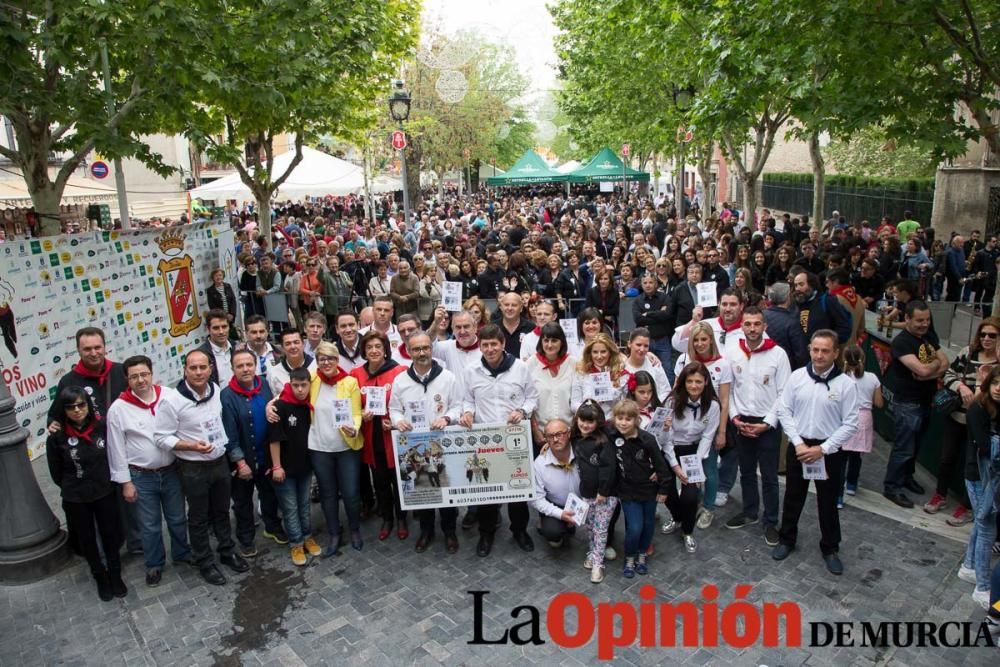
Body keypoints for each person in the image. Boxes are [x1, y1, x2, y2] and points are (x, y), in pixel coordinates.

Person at [154, 350, 249, 586]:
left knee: (222, 510)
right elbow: (160, 437)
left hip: (219, 463)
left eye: (202, 367)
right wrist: (191, 445)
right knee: (198, 517)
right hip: (192, 467)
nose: (198, 372)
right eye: (193, 368)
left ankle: (227, 551)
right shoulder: (172, 400)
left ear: (210, 369)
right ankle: (205, 561)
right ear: (185, 370)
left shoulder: (216, 391)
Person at [773, 329, 859, 575]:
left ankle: (830, 547)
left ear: (836, 353)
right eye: (815, 349)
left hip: (828, 450)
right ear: (810, 349)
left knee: (828, 501)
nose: (819, 355)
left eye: (825, 351)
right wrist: (798, 443)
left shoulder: (846, 385)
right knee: (793, 496)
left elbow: (850, 423)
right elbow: (784, 411)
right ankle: (786, 539)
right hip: (799, 447)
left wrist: (823, 449)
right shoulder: (797, 377)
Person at [106, 356, 191, 588]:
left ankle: (182, 553)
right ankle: (154, 563)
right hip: (141, 476)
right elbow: (116, 448)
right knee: (150, 524)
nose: (140, 380)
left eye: (144, 374)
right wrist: (126, 483)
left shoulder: (169, 395)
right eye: (134, 376)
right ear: (127, 379)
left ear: (152, 374)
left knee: (176, 517)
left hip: (172, 470)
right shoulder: (118, 409)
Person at [459, 324, 539, 557]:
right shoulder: (471, 371)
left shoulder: (520, 368)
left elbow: (532, 398)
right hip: (485, 440)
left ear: (503, 344)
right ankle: (486, 532)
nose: (490, 349)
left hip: (514, 438)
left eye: (494, 344)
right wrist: (467, 413)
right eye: (485, 345)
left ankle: (520, 530)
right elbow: (467, 400)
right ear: (480, 346)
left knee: (517, 490)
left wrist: (523, 411)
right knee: (487, 491)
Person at [48, 387, 126, 601]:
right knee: (87, 539)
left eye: (81, 405)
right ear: (63, 410)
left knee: (110, 534)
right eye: (70, 407)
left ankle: (115, 574)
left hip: (104, 491)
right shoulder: (58, 435)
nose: (77, 410)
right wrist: (74, 485)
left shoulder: (101, 427)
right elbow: (56, 472)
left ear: (88, 405)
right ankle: (100, 576)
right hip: (76, 497)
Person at [389, 331, 463, 554]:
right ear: (409, 352)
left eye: (425, 348)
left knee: (447, 489)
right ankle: (426, 531)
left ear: (431, 349)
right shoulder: (400, 380)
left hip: (443, 442)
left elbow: (458, 405)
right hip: (415, 445)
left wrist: (447, 417)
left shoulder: (447, 377)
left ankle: (450, 531)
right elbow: (393, 409)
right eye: (416, 349)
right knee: (423, 490)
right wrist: (399, 421)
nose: (422, 353)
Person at [722, 306, 791, 548]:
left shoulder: (778, 355)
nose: (752, 328)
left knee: (770, 476)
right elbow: (728, 389)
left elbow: (784, 394)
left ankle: (771, 520)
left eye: (757, 324)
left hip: (767, 425)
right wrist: (734, 418)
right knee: (747, 472)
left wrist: (767, 423)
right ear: (742, 326)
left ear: (765, 326)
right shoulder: (733, 352)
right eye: (748, 324)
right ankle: (750, 512)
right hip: (742, 422)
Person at [927, 318, 1000, 522]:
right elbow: (949, 374)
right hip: (956, 415)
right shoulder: (968, 353)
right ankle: (940, 495)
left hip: (981, 422)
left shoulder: (997, 363)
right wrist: (962, 386)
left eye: (992, 335)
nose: (986, 339)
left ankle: (967, 507)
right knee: (946, 458)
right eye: (983, 334)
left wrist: (978, 390)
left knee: (974, 465)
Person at [882, 301, 949, 508]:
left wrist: (932, 369)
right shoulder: (902, 342)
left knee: (916, 445)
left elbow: (944, 363)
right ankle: (892, 487)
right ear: (908, 319)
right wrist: (931, 369)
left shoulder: (929, 336)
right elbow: (922, 371)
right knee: (904, 447)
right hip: (907, 402)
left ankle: (907, 477)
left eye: (927, 320)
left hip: (926, 399)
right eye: (919, 320)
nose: (924, 324)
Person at [221, 348, 286, 556]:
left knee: (269, 494)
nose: (245, 369)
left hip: (266, 455)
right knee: (242, 501)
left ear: (255, 366)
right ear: (233, 369)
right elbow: (229, 435)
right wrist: (240, 462)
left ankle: (272, 526)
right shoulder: (227, 396)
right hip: (243, 459)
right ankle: (246, 538)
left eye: (249, 364)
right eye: (239, 366)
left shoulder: (265, 385)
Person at [672, 321, 733, 528]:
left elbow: (724, 401)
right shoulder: (683, 361)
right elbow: (676, 391)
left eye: (703, 339)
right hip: (686, 426)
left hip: (710, 424)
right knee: (689, 469)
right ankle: (692, 501)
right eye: (695, 340)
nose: (699, 344)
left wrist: (721, 432)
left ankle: (708, 507)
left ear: (711, 340)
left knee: (709, 470)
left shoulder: (722, 365)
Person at [350, 331, 408, 541]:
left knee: (398, 479)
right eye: (369, 347)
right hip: (371, 437)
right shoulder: (356, 375)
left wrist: (395, 420)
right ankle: (387, 517)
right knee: (381, 481)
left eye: (378, 346)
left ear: (385, 349)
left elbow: (407, 403)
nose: (374, 350)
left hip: (392, 436)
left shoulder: (399, 371)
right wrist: (360, 415)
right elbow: (350, 405)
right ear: (363, 351)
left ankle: (402, 517)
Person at [308, 342, 364, 555]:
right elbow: (290, 393)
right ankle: (333, 532)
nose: (327, 362)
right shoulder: (312, 380)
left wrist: (354, 428)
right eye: (322, 359)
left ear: (337, 360)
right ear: (317, 362)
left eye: (331, 358)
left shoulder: (349, 382)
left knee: (350, 493)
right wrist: (271, 404)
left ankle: (355, 529)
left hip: (346, 447)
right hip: (319, 448)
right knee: (328, 494)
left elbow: (357, 412)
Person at [661, 363, 721, 554]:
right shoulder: (671, 402)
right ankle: (677, 517)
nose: (694, 386)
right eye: (690, 381)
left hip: (694, 451)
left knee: (691, 495)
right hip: (671, 449)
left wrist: (695, 464)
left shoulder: (712, 405)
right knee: (666, 492)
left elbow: (707, 436)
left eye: (698, 381)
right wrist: (676, 466)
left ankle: (687, 531)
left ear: (706, 382)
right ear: (683, 382)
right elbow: (666, 438)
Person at [610, 399, 671, 579]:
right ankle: (629, 557)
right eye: (620, 418)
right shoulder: (612, 436)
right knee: (635, 527)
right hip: (628, 492)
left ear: (637, 420)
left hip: (649, 490)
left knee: (648, 525)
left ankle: (642, 553)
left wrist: (664, 490)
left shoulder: (648, 440)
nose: (623, 422)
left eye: (628, 419)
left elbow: (661, 466)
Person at [268, 366, 322, 566]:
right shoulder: (280, 406)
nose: (300, 390)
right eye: (296, 385)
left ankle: (307, 536)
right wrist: (276, 466)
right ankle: (296, 543)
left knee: (304, 504)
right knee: (290, 508)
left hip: (305, 466)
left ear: (310, 385)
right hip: (284, 468)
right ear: (289, 384)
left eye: (304, 385)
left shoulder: (309, 405)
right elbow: (274, 439)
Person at [958, 365, 1000, 609]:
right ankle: (983, 586)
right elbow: (985, 448)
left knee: (982, 524)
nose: (998, 389)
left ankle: (969, 567)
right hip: (977, 476)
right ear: (988, 384)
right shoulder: (977, 408)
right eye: (995, 384)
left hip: (992, 478)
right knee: (986, 528)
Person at [570, 401, 619, 583]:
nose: (585, 425)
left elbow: (608, 467)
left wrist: (604, 491)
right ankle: (592, 552)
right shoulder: (575, 437)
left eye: (590, 422)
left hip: (604, 494)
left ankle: (598, 564)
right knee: (590, 526)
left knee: (601, 528)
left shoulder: (603, 440)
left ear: (598, 422)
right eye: (582, 420)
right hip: (587, 492)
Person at [838, 345, 883, 508]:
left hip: (845, 417)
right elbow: (879, 402)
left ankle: (838, 497)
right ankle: (851, 484)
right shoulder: (872, 378)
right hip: (864, 419)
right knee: (856, 455)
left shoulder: (840, 378)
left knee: (841, 458)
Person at [531, 418, 583, 551]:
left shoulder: (582, 451)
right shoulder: (539, 463)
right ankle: (550, 524)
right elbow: (536, 499)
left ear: (569, 433)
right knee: (553, 533)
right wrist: (560, 514)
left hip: (584, 502)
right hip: (556, 504)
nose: (555, 439)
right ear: (546, 439)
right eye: (550, 436)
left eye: (559, 434)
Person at [525, 322, 575, 446]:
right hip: (542, 434)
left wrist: (573, 430)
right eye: (546, 340)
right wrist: (535, 431)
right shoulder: (531, 364)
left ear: (562, 342)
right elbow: (527, 399)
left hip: (569, 432)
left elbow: (578, 399)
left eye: (554, 340)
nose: (549, 345)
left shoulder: (573, 363)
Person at [570, 333, 629, 418]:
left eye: (603, 352)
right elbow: (574, 404)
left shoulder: (621, 374)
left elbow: (625, 405)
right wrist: (589, 408)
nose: (599, 356)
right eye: (595, 352)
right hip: (588, 422)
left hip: (613, 425)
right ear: (589, 353)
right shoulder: (581, 373)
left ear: (610, 352)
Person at [632, 274, 675, 379]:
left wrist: (648, 314)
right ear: (641, 285)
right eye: (645, 283)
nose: (648, 285)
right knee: (645, 370)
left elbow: (667, 315)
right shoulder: (637, 300)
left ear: (655, 284)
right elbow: (638, 319)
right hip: (645, 342)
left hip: (663, 340)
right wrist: (659, 314)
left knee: (667, 370)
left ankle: (668, 395)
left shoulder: (664, 297)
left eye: (651, 282)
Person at [763, 282, 808, 370]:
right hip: (785, 368)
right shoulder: (792, 322)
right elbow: (801, 354)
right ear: (787, 297)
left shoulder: (761, 315)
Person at [623, 328, 669, 405]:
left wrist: (653, 405)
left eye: (646, 346)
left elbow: (666, 391)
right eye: (638, 345)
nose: (642, 349)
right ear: (629, 344)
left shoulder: (654, 364)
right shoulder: (622, 367)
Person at [268, 328, 317, 397]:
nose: (293, 346)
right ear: (282, 348)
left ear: (303, 344)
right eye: (288, 344)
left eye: (296, 342)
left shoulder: (316, 366)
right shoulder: (274, 373)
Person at [196, 309, 235, 386]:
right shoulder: (200, 355)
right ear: (208, 329)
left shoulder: (237, 348)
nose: (221, 331)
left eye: (224, 327)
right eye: (216, 328)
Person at [206, 268, 239, 338]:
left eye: (220, 275)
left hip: (231, 317)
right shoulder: (210, 290)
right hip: (220, 317)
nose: (218, 277)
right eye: (216, 276)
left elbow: (233, 300)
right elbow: (212, 306)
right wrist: (224, 315)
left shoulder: (228, 286)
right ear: (213, 278)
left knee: (233, 336)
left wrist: (232, 314)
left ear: (223, 276)